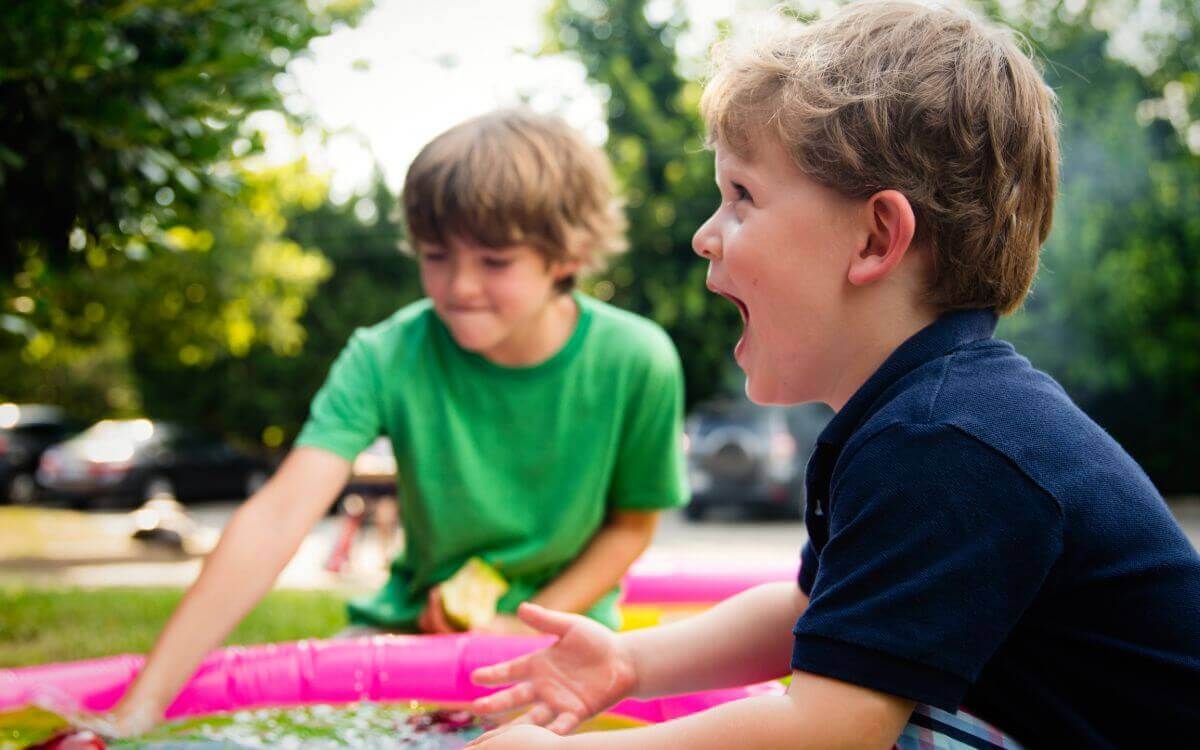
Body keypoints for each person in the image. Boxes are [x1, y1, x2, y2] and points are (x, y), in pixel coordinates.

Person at [461, 3, 1200, 748]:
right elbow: (808, 610)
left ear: (876, 236)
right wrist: (628, 661)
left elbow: (828, 732)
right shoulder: (921, 417)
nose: (704, 235)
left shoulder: (947, 443)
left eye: (742, 197)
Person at [106, 108, 689, 732]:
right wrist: (140, 707)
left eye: (494, 261)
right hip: (408, 632)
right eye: (436, 256)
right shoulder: (385, 354)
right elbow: (277, 517)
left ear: (566, 254)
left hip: (565, 642)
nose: (459, 286)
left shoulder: (638, 359)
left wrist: (520, 624)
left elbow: (631, 527)